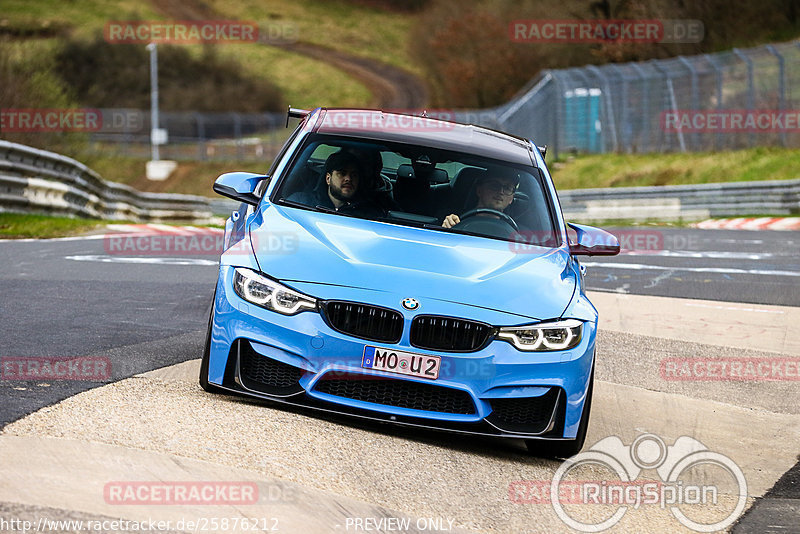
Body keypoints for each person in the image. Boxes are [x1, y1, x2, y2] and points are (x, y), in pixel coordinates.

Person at [288, 150, 385, 218]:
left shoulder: (370, 214)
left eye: (354, 175)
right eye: (342, 173)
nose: (348, 179)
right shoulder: (301, 202)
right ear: (328, 178)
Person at [442, 172, 518, 228]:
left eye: (507, 188)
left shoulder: (517, 233)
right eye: (494, 185)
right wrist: (446, 229)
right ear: (479, 190)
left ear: (511, 198)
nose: (501, 192)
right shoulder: (454, 220)